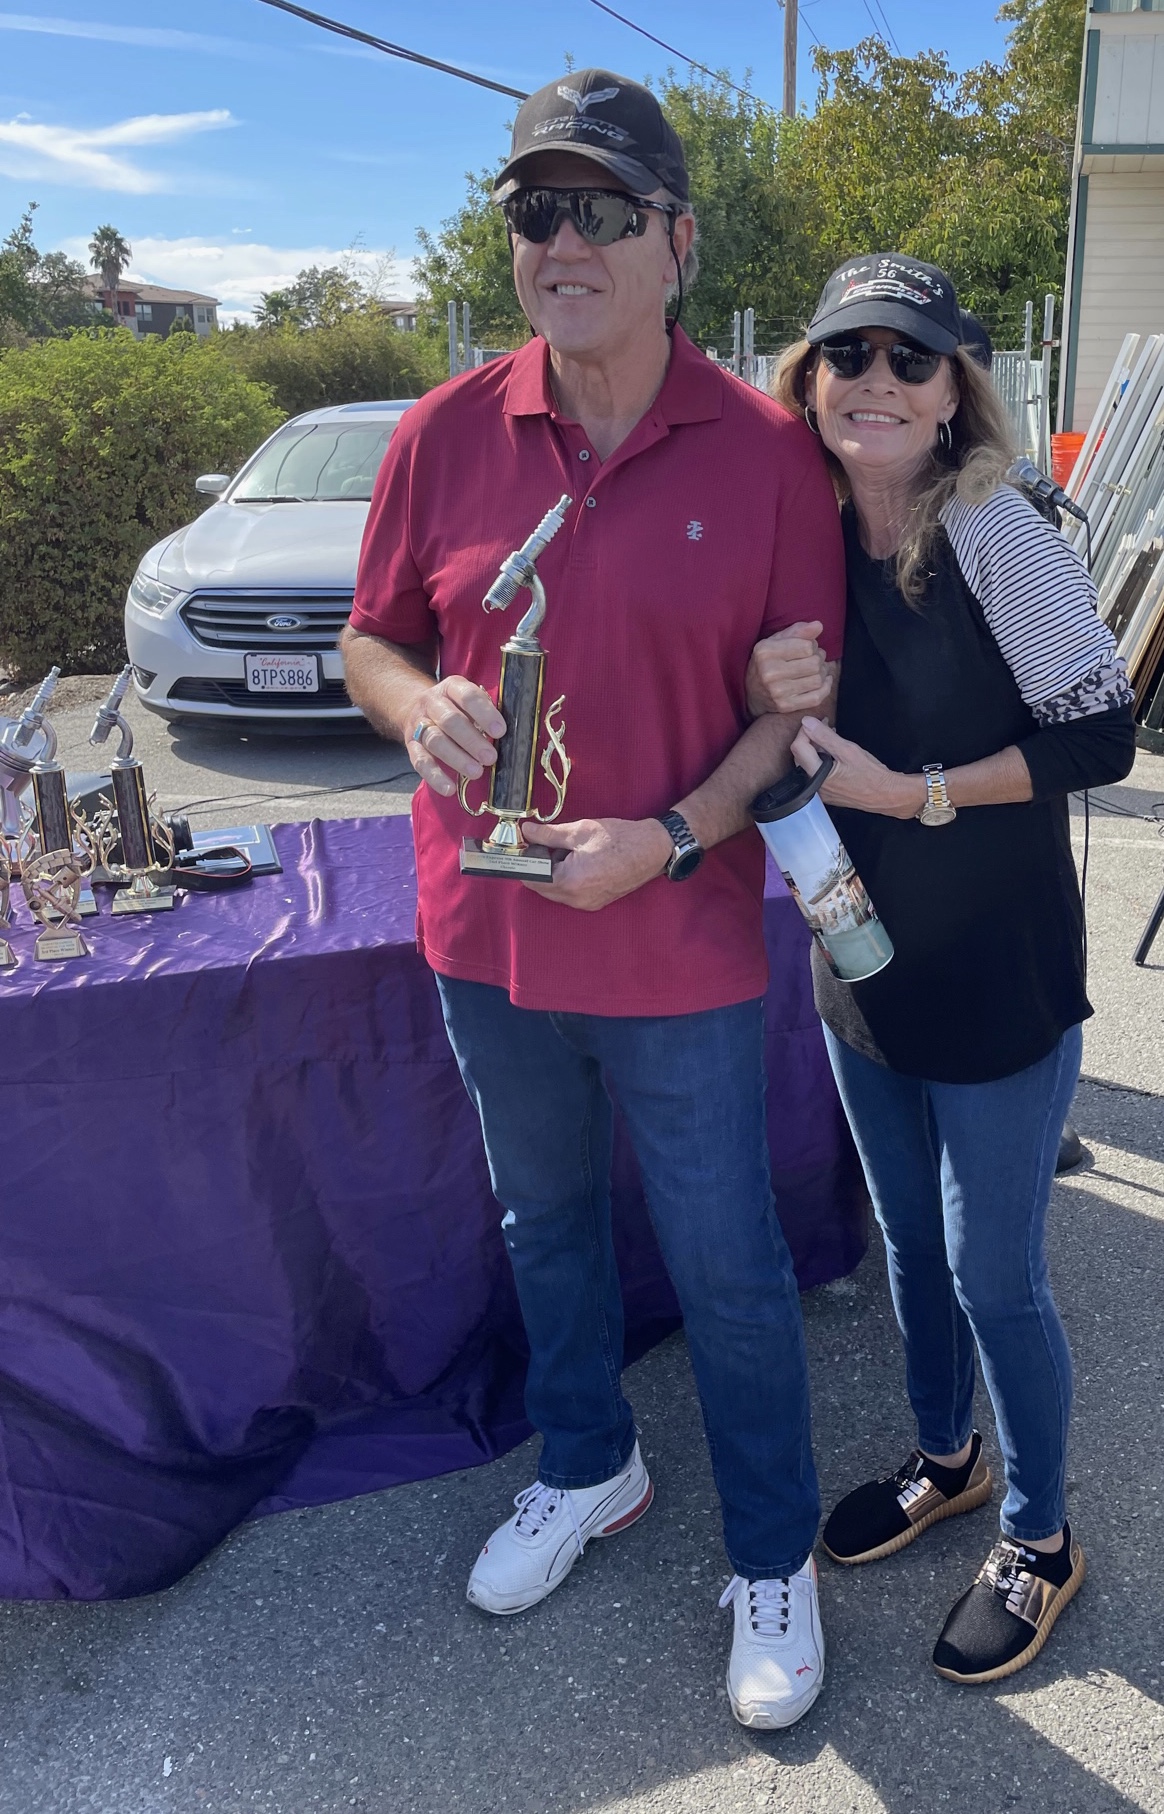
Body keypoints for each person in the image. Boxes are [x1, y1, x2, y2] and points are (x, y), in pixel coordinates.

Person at [342, 70, 846, 1729]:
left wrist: (679, 838)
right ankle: (591, 1462)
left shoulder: (770, 453)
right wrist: (418, 709)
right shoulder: (439, 431)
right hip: (482, 931)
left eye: (602, 209)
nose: (563, 241)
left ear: (676, 241)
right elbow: (373, 638)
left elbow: (795, 707)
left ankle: (772, 1551)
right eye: (535, 211)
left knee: (726, 1257)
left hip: (679, 924)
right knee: (540, 1221)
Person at [747, 253, 1136, 1686]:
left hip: (997, 965)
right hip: (858, 954)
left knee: (995, 1269)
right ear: (810, 377)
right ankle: (947, 1457)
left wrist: (911, 787)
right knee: (909, 1242)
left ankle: (1040, 1533)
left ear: (957, 385)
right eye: (847, 351)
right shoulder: (800, 527)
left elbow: (1100, 737)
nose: (878, 380)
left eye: (912, 357)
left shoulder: (997, 530)